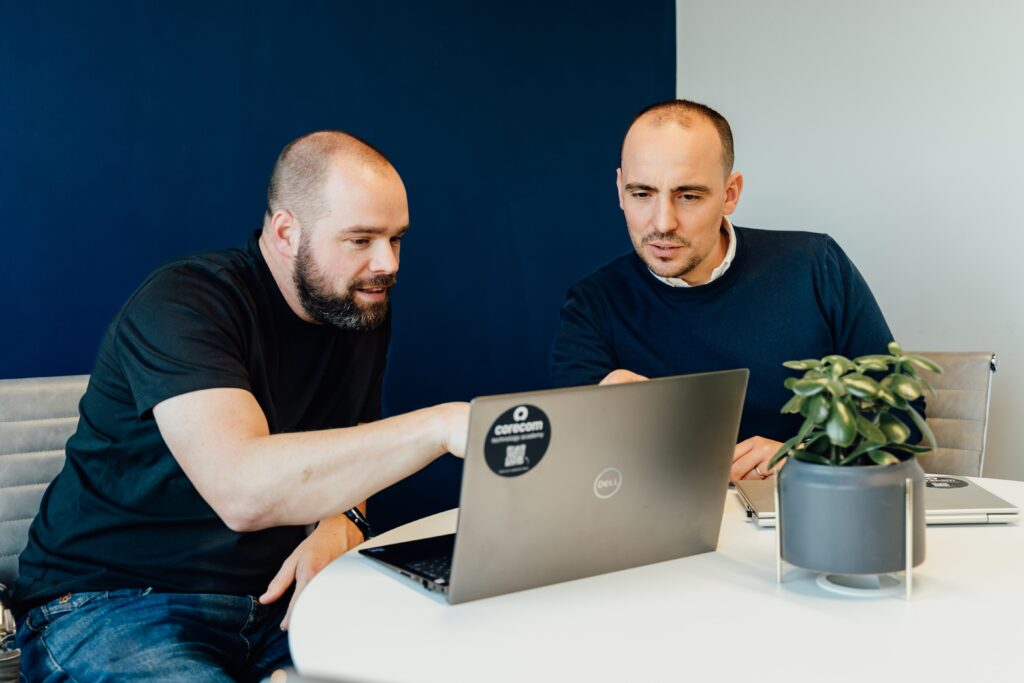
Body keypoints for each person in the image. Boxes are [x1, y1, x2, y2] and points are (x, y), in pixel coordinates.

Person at [12, 131, 469, 681]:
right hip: (114, 602)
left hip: (273, 602)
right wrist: (440, 425)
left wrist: (340, 519)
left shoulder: (355, 302)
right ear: (285, 232)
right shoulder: (185, 303)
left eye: (396, 239)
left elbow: (352, 445)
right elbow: (243, 491)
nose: (387, 263)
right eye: (361, 239)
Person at [550, 100, 903, 483]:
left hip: (806, 510)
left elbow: (901, 412)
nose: (663, 222)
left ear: (730, 193)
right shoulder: (594, 303)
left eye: (688, 196)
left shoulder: (815, 265)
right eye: (642, 194)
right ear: (620, 191)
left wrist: (807, 458)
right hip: (667, 531)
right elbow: (576, 462)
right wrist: (598, 420)